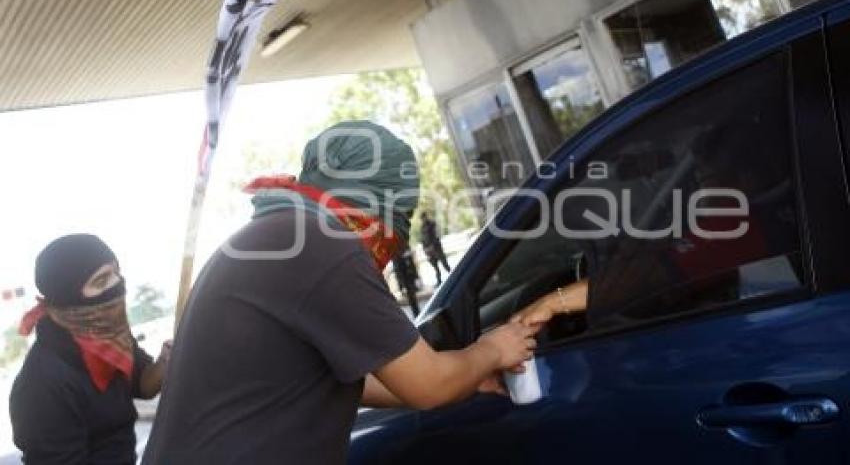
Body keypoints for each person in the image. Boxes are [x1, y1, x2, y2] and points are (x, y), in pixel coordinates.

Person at [141, 121, 536, 465]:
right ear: (376, 201)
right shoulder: (323, 243)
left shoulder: (278, 234)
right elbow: (428, 386)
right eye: (398, 218)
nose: (390, 242)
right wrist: (494, 350)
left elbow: (341, 380)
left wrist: (468, 378)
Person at [10, 234, 171, 464]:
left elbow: (143, 384)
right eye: (101, 281)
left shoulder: (111, 340)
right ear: (69, 297)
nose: (117, 284)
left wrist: (165, 361)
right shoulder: (42, 383)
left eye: (116, 272)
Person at [420, 211, 450, 284]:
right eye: (422, 218)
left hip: (436, 248)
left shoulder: (432, 224)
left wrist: (433, 245)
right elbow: (423, 240)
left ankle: (452, 276)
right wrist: (425, 249)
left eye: (424, 217)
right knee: (436, 268)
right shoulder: (422, 228)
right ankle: (439, 281)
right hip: (429, 251)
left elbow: (436, 235)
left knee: (445, 265)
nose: (424, 219)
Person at [392, 244, 421, 317]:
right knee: (411, 296)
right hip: (404, 276)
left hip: (408, 275)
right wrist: (400, 285)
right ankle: (416, 313)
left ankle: (417, 313)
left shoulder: (404, 247)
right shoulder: (393, 251)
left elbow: (411, 263)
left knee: (412, 296)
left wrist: (416, 276)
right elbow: (397, 268)